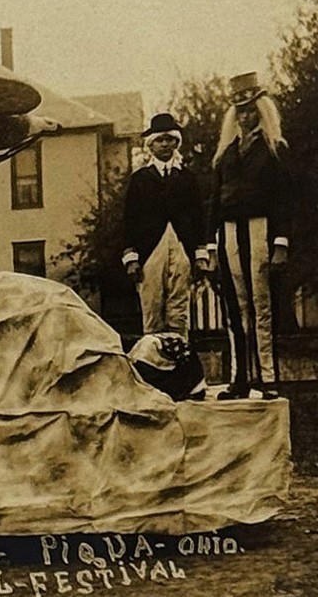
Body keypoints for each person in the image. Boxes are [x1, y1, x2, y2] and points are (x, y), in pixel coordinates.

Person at [205, 72, 292, 400]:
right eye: (239, 111)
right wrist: (211, 247)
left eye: (250, 110)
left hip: (260, 230)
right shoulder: (225, 155)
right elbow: (214, 201)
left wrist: (280, 243)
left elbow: (283, 198)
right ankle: (239, 378)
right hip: (229, 234)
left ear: (261, 110)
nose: (245, 116)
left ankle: (267, 378)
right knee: (235, 307)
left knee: (262, 306)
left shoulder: (273, 149)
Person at [122, 112, 208, 341]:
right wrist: (131, 257)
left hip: (181, 246)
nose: (165, 145)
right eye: (160, 140)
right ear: (151, 145)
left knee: (178, 312)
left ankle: (180, 366)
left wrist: (200, 254)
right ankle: (154, 368)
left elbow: (198, 216)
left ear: (176, 143)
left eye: (170, 140)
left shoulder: (187, 177)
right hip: (150, 249)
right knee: (152, 309)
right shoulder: (140, 179)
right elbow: (129, 219)